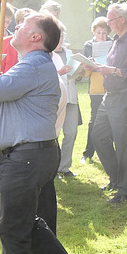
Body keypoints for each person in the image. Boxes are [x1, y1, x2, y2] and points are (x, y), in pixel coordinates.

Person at [0, 12, 92, 254]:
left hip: (26, 157)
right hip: (27, 154)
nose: (17, 27)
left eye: (25, 25)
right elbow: (12, 107)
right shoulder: (32, 65)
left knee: (13, 229)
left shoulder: (35, 64)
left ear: (36, 37)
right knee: (25, 224)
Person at [92, 3, 127, 204]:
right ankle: (115, 179)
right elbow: (112, 67)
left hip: (126, 96)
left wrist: (113, 70)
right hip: (110, 96)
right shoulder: (115, 41)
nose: (108, 24)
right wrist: (99, 67)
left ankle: (125, 192)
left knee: (122, 143)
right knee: (98, 136)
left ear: (122, 20)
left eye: (110, 20)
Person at [80, 17, 110, 163]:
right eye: (99, 33)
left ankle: (108, 153)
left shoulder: (113, 43)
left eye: (104, 33)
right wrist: (89, 65)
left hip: (110, 88)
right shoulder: (88, 45)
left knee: (110, 121)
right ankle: (88, 153)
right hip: (96, 88)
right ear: (94, 32)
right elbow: (84, 69)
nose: (101, 36)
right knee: (94, 120)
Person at [52, 25, 81, 178]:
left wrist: (79, 71)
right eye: (57, 37)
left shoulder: (70, 54)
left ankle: (64, 167)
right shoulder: (47, 55)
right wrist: (59, 72)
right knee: (53, 134)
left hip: (71, 97)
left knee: (71, 132)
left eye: (62, 37)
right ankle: (52, 168)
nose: (60, 40)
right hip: (55, 99)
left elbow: (75, 76)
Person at [0, 8, 34, 73]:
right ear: (18, 23)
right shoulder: (6, 42)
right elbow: (0, 68)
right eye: (24, 22)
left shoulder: (35, 43)